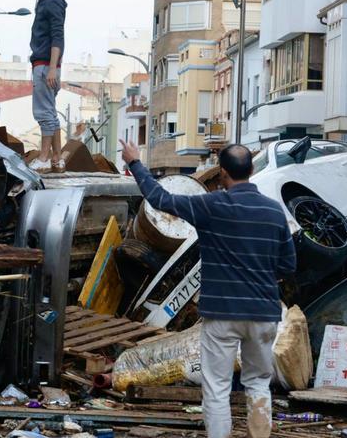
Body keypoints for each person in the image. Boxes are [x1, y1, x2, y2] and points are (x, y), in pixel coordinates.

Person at [119, 140, 297, 438]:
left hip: (222, 314)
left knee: (217, 386)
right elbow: (288, 266)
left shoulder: (209, 206)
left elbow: (160, 198)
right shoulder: (273, 212)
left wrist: (135, 163)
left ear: (223, 173)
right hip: (263, 312)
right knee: (257, 383)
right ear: (252, 169)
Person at [28, 0, 67, 173]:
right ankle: (57, 159)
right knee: (51, 113)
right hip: (45, 64)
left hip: (46, 64)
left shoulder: (51, 1)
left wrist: (52, 67)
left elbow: (57, 36)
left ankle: (43, 158)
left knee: (43, 113)